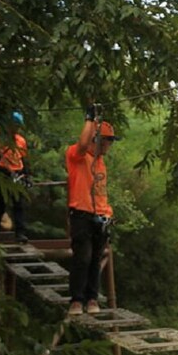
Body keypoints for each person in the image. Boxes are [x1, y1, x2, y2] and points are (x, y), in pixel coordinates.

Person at [65, 110, 118, 316]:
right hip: (81, 214)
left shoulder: (101, 162)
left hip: (101, 217)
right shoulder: (77, 156)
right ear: (96, 140)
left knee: (96, 259)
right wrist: (89, 120)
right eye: (106, 141)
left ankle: (92, 298)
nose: (108, 145)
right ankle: (77, 300)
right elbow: (82, 144)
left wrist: (108, 213)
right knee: (83, 258)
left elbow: (100, 191)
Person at [0, 110, 31, 242]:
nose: (16, 128)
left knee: (18, 204)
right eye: (15, 125)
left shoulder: (20, 140)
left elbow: (23, 159)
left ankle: (20, 233)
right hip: (2, 171)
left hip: (17, 173)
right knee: (1, 203)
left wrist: (27, 175)